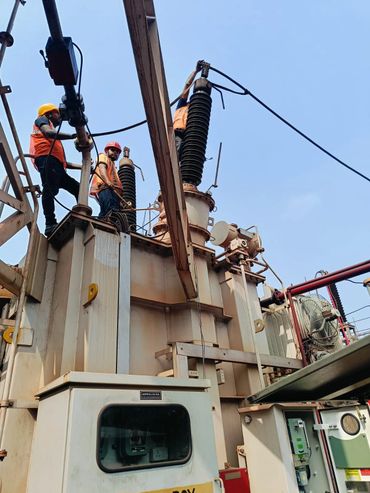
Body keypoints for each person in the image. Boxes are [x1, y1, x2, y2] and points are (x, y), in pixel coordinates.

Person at [30, 103, 81, 237]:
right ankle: (50, 224)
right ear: (49, 114)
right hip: (47, 159)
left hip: (56, 165)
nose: (60, 117)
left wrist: (85, 167)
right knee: (49, 189)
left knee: (77, 188)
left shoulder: (55, 137)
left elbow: (64, 163)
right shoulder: (42, 120)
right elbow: (48, 132)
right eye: (57, 114)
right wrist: (72, 136)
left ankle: (81, 214)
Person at [173, 60, 204, 158]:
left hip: (188, 139)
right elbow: (187, 85)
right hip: (176, 135)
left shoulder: (196, 114)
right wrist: (195, 72)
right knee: (175, 159)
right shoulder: (182, 105)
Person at [90, 142, 123, 218]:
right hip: (105, 187)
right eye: (112, 150)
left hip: (113, 191)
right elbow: (102, 168)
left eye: (117, 152)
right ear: (107, 151)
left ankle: (102, 224)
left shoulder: (113, 166)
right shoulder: (102, 156)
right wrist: (107, 182)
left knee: (110, 212)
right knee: (110, 210)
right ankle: (106, 225)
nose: (115, 153)